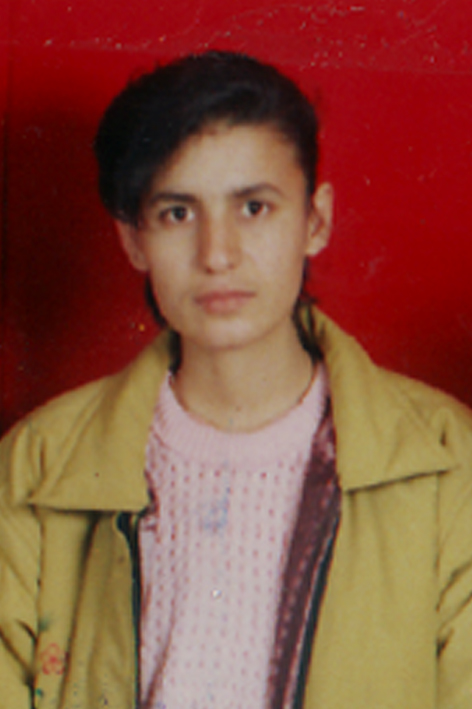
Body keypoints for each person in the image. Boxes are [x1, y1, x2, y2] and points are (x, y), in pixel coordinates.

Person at [1, 50, 472, 709]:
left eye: (254, 207)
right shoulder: (37, 463)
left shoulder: (449, 463)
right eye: (177, 213)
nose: (217, 254)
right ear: (133, 239)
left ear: (315, 220)